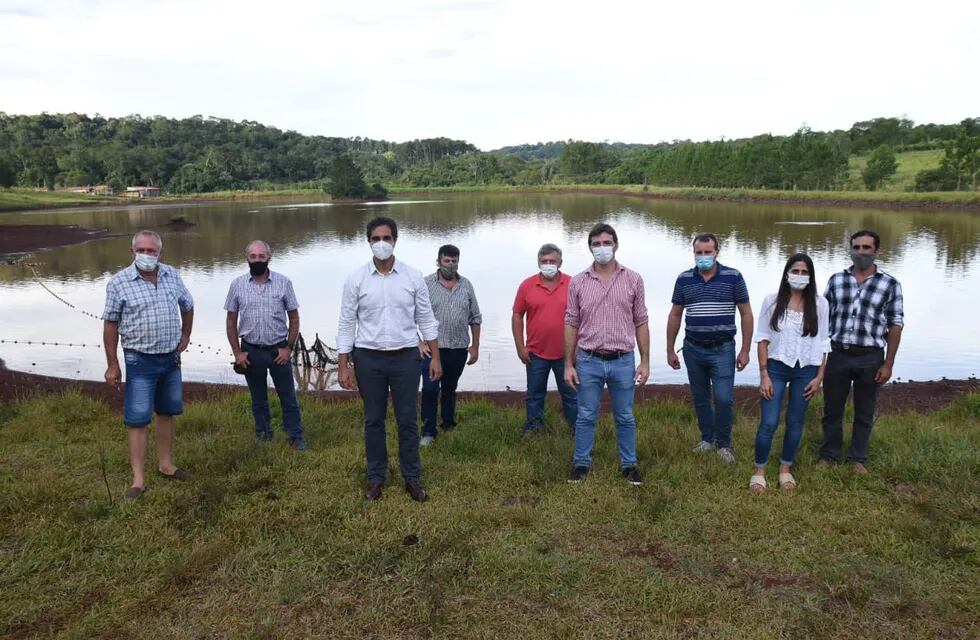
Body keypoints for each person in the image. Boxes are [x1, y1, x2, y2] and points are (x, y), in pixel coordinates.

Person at [337, 216, 441, 502]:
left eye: (386, 238)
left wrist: (436, 358)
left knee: (407, 419)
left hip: (406, 358)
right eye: (375, 239)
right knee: (373, 420)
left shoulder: (413, 276)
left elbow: (426, 319)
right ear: (368, 242)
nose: (381, 244)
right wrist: (344, 364)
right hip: (368, 358)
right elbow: (346, 323)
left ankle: (412, 478)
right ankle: (376, 478)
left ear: (395, 240)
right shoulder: (355, 279)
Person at [103, 230, 194, 500]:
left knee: (167, 412)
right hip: (139, 360)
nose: (146, 255)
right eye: (141, 250)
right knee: (138, 419)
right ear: (132, 252)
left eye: (151, 251)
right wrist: (112, 364)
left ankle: (166, 465)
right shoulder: (118, 283)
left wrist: (186, 335)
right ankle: (138, 480)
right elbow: (110, 324)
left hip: (170, 359)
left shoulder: (171, 275)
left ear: (160, 253)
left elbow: (187, 305)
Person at [564, 223, 649, 485]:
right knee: (586, 415)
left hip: (623, 360)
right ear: (590, 248)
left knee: (625, 416)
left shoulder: (633, 279)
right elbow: (571, 322)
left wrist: (645, 361)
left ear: (616, 245)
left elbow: (641, 321)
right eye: (597, 244)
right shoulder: (578, 282)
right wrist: (568, 363)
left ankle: (629, 465)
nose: (602, 248)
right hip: (588, 359)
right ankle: (581, 464)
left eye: (606, 243)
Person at [819, 229, 903, 475]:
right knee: (832, 408)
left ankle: (858, 459)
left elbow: (895, 323)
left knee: (865, 410)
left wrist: (888, 363)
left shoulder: (890, 284)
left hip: (870, 355)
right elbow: (824, 319)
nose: (861, 252)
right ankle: (829, 455)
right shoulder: (836, 280)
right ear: (851, 249)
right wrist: (819, 358)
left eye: (867, 248)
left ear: (877, 251)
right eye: (856, 247)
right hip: (838, 353)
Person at [666, 233, 753, 464]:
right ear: (693, 253)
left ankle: (724, 444)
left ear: (717, 252)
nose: (703, 256)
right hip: (693, 349)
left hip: (723, 349)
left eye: (708, 252)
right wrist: (669, 349)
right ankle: (707, 439)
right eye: (699, 252)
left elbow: (746, 313)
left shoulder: (733, 277)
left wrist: (745, 349)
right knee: (701, 397)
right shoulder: (684, 279)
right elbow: (675, 314)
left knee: (724, 398)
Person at [750, 253, 830, 491]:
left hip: (806, 370)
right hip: (775, 367)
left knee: (795, 421)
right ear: (787, 274)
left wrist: (820, 377)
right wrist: (764, 374)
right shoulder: (772, 301)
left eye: (805, 272)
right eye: (795, 271)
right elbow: (762, 338)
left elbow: (824, 342)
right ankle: (759, 471)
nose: (800, 276)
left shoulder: (821, 304)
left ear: (811, 276)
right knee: (769, 422)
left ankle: (785, 469)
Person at [224, 240, 306, 449]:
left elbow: (294, 318)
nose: (257, 260)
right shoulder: (237, 285)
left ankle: (295, 437)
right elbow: (231, 321)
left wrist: (288, 348)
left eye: (262, 256)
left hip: (278, 350)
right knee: (258, 399)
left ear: (269, 258)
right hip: (250, 351)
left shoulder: (283, 283)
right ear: (247, 258)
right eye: (253, 256)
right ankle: (263, 435)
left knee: (288, 397)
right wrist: (237, 353)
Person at [419, 244, 482, 446]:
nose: (451, 265)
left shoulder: (466, 285)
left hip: (458, 348)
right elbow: (410, 315)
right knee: (429, 389)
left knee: (449, 388)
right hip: (431, 349)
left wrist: (475, 346)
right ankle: (428, 431)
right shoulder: (425, 284)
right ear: (439, 261)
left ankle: (448, 423)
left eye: (454, 261)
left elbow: (475, 317)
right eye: (447, 261)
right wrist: (418, 342)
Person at [512, 243, 578, 434]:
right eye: (544, 261)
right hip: (536, 353)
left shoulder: (573, 284)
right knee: (534, 395)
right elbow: (517, 315)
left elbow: (584, 316)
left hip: (567, 354)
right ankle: (533, 428)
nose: (548, 264)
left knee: (571, 395)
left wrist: (578, 347)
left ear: (560, 262)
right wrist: (520, 347)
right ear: (538, 262)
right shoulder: (527, 285)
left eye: (552, 261)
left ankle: (575, 429)